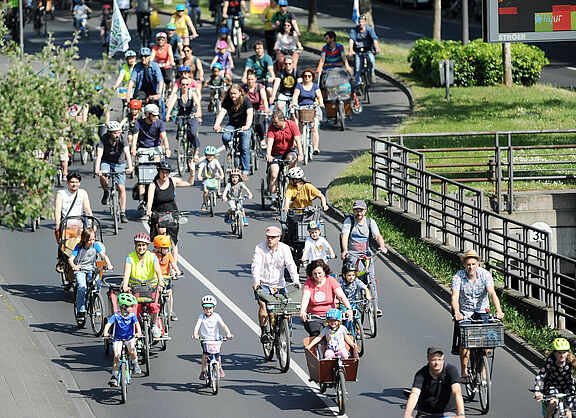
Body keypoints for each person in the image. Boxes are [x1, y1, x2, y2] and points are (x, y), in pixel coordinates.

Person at [451, 248, 504, 382]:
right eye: (468, 264)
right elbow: (454, 297)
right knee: (465, 341)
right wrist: (457, 313)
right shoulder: (458, 277)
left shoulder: (485, 275)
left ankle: (483, 370)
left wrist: (499, 311)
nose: (471, 267)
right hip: (466, 312)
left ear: (478, 264)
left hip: (482, 310)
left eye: (473, 264)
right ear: (465, 265)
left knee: (486, 341)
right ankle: (464, 371)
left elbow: (492, 293)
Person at [251, 225, 300, 342]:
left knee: (286, 309)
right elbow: (256, 266)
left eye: (273, 237)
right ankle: (263, 332)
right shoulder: (260, 248)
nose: (270, 239)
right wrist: (256, 282)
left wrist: (296, 280)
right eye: (268, 237)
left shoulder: (284, 248)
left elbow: (290, 264)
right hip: (264, 284)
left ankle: (283, 331)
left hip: (279, 284)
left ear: (279, 237)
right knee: (263, 306)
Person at [340, 199, 388, 317]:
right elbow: (345, 236)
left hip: (366, 254)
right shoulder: (349, 221)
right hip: (353, 254)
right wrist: (345, 250)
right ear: (353, 210)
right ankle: (351, 303)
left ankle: (375, 307)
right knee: (355, 278)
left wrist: (382, 246)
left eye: (361, 210)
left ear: (365, 211)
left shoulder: (370, 222)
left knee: (371, 279)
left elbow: (377, 235)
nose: (359, 213)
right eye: (356, 210)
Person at [146, 161, 195, 265]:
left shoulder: (173, 181)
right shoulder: (153, 185)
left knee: (172, 241)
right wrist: (149, 210)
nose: (164, 175)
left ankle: (174, 267)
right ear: (159, 172)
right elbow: (150, 200)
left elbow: (190, 183)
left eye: (167, 173)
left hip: (172, 213)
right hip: (159, 213)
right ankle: (160, 262)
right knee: (162, 236)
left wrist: (192, 171)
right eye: (162, 172)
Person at [122, 233, 166, 338]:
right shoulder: (130, 257)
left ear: (147, 246)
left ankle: (154, 325)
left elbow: (158, 271)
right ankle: (137, 330)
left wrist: (160, 282)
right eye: (139, 245)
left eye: (143, 245)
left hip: (151, 287)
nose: (141, 247)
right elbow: (127, 273)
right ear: (135, 246)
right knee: (134, 309)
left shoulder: (152, 256)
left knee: (154, 306)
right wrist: (125, 286)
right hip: (136, 287)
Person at [404, 346, 466, 418]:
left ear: (443, 358)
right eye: (434, 360)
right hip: (426, 413)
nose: (437, 363)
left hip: (447, 413)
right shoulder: (421, 374)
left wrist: (461, 414)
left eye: (439, 359)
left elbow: (457, 392)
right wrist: (408, 414)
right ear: (428, 358)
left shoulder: (451, 370)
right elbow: (414, 394)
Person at [68, 228, 113, 322]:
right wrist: (74, 266)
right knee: (82, 287)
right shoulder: (78, 247)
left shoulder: (96, 246)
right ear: (84, 239)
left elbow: (103, 255)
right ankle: (81, 310)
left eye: (93, 239)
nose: (91, 242)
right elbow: (71, 259)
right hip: (80, 269)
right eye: (89, 240)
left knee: (97, 283)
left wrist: (108, 264)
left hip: (91, 269)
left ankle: (95, 301)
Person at [299, 259, 353, 336]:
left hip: (331, 316)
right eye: (315, 274)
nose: (317, 276)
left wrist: (349, 308)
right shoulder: (309, 283)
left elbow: (341, 296)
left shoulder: (330, 280)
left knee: (337, 334)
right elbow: (305, 298)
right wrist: (302, 311)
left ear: (324, 272)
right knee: (318, 333)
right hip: (315, 317)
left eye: (319, 273)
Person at [132, 103, 171, 209]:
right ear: (147, 114)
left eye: (156, 115)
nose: (155, 117)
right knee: (142, 175)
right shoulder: (139, 123)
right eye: (153, 115)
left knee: (157, 164)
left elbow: (164, 137)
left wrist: (167, 148)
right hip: (143, 149)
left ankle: (157, 191)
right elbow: (135, 136)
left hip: (155, 148)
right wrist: (133, 149)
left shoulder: (159, 123)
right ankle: (141, 201)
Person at [94, 121, 134, 224]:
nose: (117, 135)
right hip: (106, 161)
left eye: (118, 132)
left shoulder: (123, 138)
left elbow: (127, 153)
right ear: (109, 133)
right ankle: (106, 191)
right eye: (115, 133)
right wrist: (97, 169)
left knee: (121, 187)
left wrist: (130, 167)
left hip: (119, 163)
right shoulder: (103, 139)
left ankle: (122, 212)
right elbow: (99, 155)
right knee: (104, 175)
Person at [213, 83, 253, 180]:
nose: (233, 96)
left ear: (240, 93)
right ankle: (230, 152)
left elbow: (250, 114)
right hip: (233, 124)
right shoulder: (227, 101)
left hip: (244, 126)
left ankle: (245, 171)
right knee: (225, 137)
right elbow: (222, 113)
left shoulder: (246, 101)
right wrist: (217, 124)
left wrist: (247, 126)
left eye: (235, 93)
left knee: (244, 147)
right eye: (231, 94)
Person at [103, 293, 142, 387]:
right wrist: (105, 332)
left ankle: (135, 363)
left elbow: (137, 325)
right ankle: (114, 376)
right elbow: (108, 324)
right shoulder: (116, 316)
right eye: (130, 306)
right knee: (117, 356)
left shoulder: (132, 315)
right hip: (118, 339)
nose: (132, 308)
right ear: (124, 307)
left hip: (130, 338)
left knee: (132, 350)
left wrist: (139, 333)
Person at [265, 110, 302, 204]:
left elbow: (298, 140)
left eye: (276, 122)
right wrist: (268, 154)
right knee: (274, 174)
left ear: (283, 120)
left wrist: (301, 154)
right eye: (273, 122)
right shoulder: (272, 127)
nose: (274, 124)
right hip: (275, 154)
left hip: (288, 151)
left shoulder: (292, 125)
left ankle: (291, 184)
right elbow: (270, 141)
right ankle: (273, 199)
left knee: (292, 159)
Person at [534, 338, 576, 418]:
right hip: (552, 385)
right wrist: (537, 390)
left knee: (568, 410)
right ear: (554, 353)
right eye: (559, 353)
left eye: (564, 352)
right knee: (554, 403)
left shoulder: (570, 360)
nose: (562, 355)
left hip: (567, 385)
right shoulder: (551, 361)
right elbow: (540, 375)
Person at [193, 295, 233, 379]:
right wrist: (196, 334)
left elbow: (223, 325)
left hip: (215, 339)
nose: (208, 310)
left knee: (217, 355)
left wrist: (228, 333)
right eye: (206, 308)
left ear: (214, 307)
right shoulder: (201, 317)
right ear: (203, 308)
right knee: (205, 354)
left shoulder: (216, 316)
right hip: (205, 339)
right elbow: (197, 326)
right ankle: (203, 371)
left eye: (210, 308)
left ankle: (219, 368)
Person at [165, 73, 202, 162]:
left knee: (193, 133)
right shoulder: (177, 94)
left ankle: (195, 152)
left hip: (191, 115)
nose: (184, 86)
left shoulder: (192, 93)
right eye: (183, 84)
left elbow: (197, 104)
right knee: (179, 127)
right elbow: (171, 104)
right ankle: (180, 144)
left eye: (186, 84)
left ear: (188, 86)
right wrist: (167, 114)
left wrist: (198, 113)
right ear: (180, 85)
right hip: (181, 114)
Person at [291, 67, 324, 155]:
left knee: (314, 128)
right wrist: (294, 103)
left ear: (312, 77)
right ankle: (300, 143)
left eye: (309, 76)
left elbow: (319, 96)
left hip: (313, 107)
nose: (307, 77)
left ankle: (315, 147)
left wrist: (320, 103)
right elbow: (295, 96)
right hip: (302, 107)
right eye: (305, 76)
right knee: (300, 126)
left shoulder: (315, 86)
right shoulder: (299, 86)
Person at [54, 171, 93, 245]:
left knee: (92, 231)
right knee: (64, 244)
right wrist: (58, 224)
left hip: (80, 223)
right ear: (68, 183)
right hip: (67, 224)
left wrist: (90, 223)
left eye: (76, 182)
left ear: (79, 183)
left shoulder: (82, 193)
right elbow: (57, 210)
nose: (74, 184)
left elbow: (87, 209)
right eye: (72, 182)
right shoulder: (61, 194)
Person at [152, 234, 182, 321]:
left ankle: (171, 311)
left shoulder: (168, 255)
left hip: (166, 278)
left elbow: (173, 264)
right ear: (158, 248)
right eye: (164, 248)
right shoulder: (153, 255)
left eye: (167, 248)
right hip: (156, 278)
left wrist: (177, 271)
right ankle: (155, 311)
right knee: (156, 295)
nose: (167, 249)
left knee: (169, 293)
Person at [348, 14, 381, 88]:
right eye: (359, 22)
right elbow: (351, 39)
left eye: (362, 22)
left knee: (372, 60)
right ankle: (358, 84)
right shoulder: (354, 30)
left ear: (365, 22)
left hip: (368, 50)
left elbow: (374, 39)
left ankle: (372, 73)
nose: (361, 23)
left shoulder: (369, 29)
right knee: (358, 68)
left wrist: (377, 48)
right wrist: (351, 50)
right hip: (358, 51)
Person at [243, 69, 269, 147]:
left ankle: (262, 139)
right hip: (248, 110)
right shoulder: (244, 88)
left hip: (259, 109)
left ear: (255, 79)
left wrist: (266, 108)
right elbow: (240, 100)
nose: (250, 81)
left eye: (252, 79)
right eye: (248, 79)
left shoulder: (259, 87)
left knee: (258, 123)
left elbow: (264, 99)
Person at [197, 145, 224, 211]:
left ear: (214, 155)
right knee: (205, 191)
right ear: (206, 155)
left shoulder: (215, 161)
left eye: (211, 155)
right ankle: (204, 203)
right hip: (206, 177)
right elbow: (200, 169)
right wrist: (199, 176)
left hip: (214, 176)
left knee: (218, 179)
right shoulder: (203, 162)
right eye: (208, 155)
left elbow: (220, 168)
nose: (210, 157)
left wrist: (222, 175)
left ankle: (218, 192)